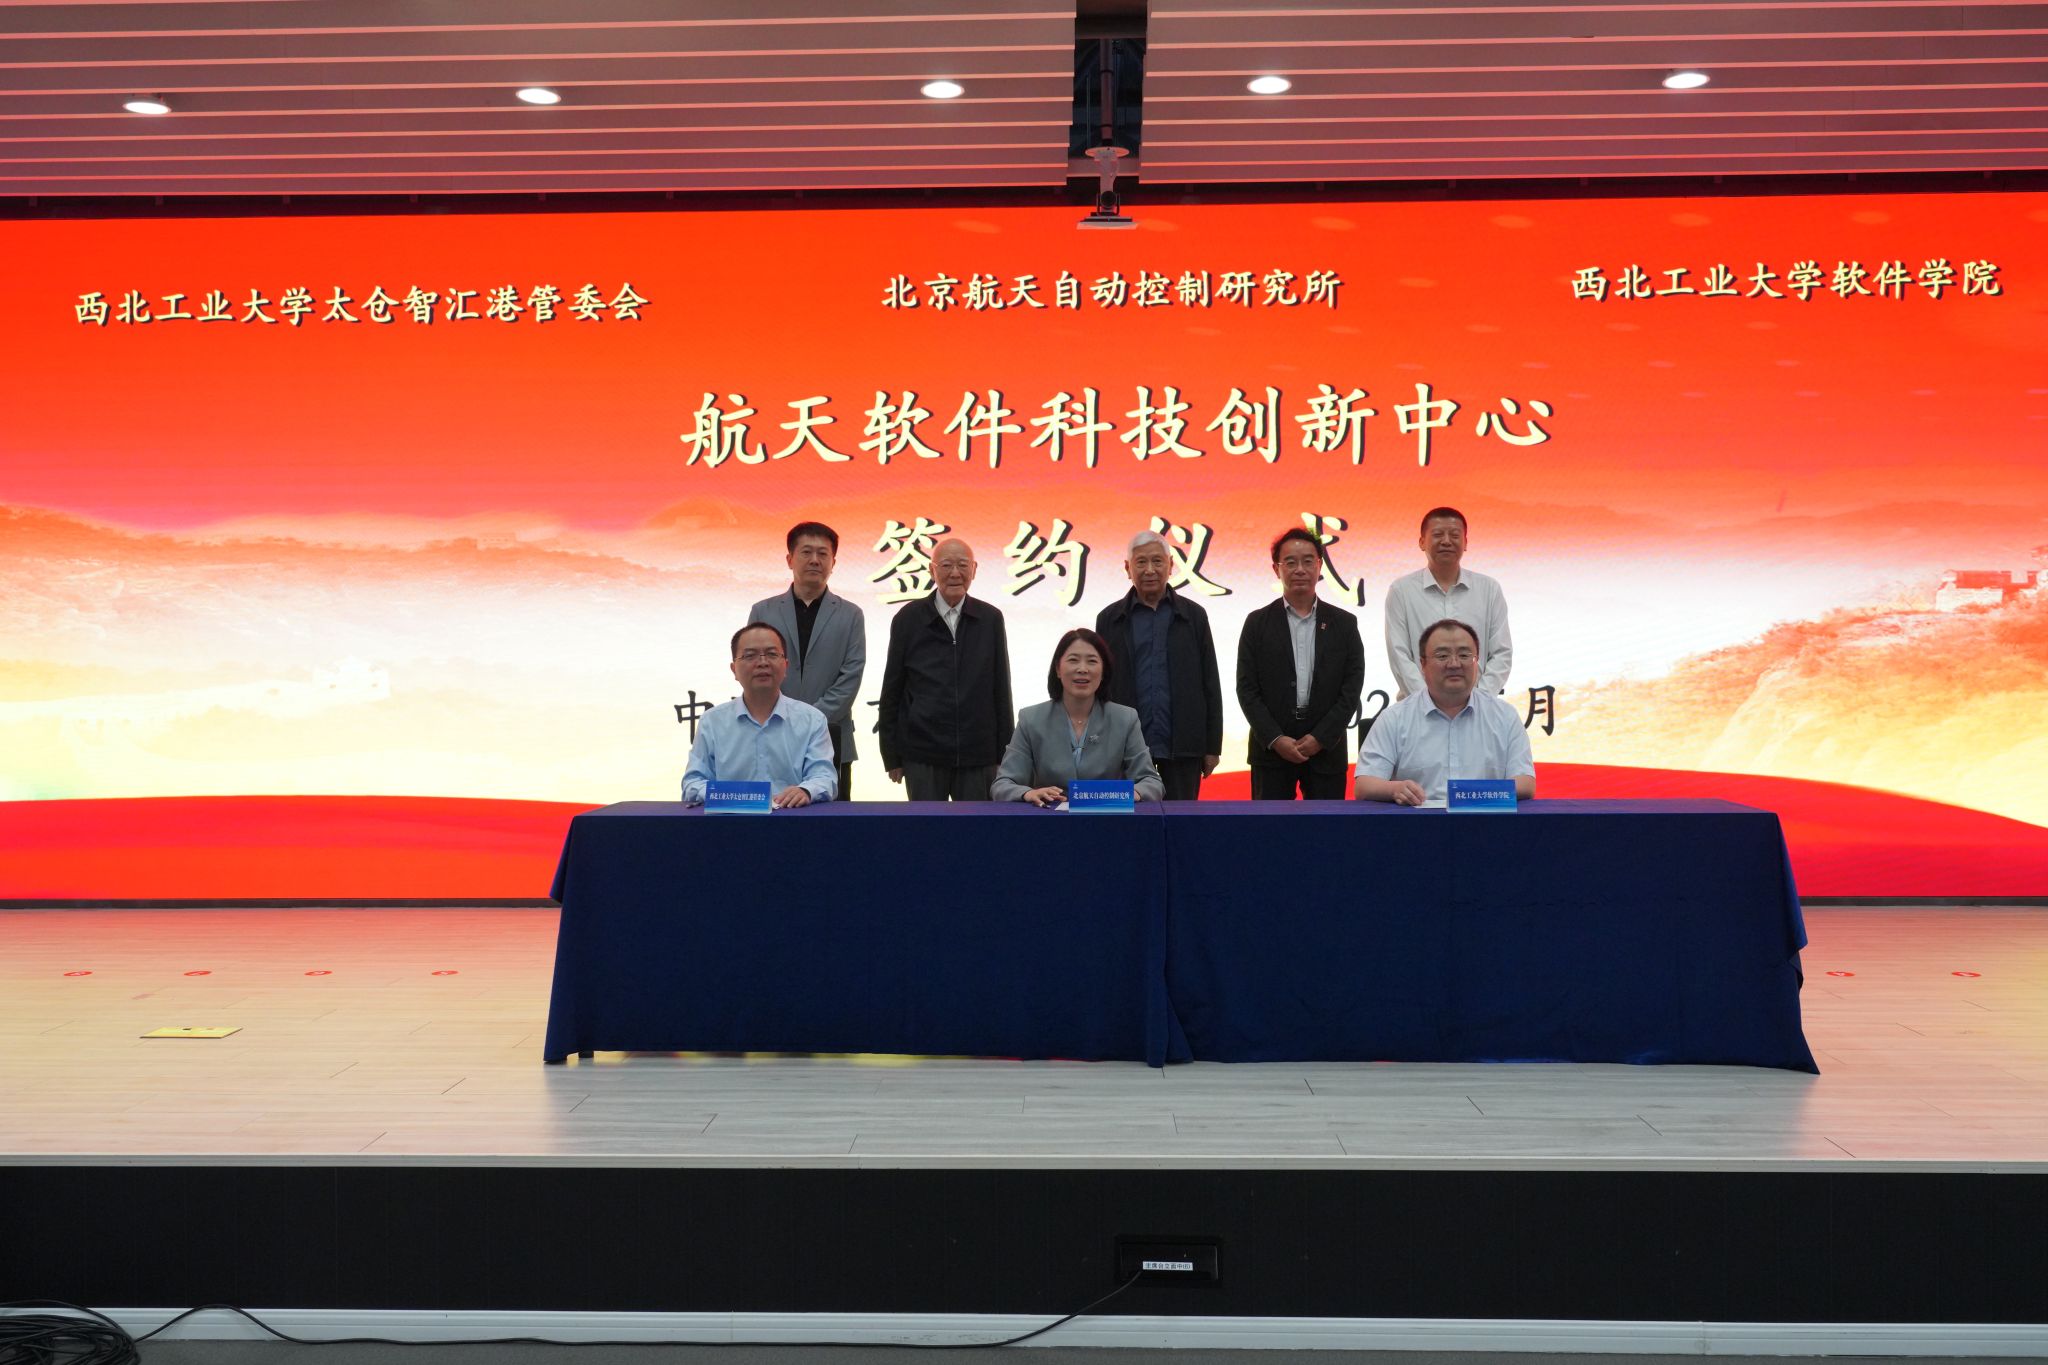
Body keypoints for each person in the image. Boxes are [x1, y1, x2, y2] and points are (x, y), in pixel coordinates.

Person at [876, 537, 1014, 801]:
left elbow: (1001, 689)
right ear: (932, 570)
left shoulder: (990, 618)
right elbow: (892, 689)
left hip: (979, 753)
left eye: (962, 565)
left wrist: (1006, 755)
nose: (955, 573)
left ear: (974, 569)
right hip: (922, 752)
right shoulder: (908, 618)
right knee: (927, 826)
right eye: (946, 565)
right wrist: (891, 755)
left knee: (976, 826)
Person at [1235, 527, 1365, 800]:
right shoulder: (1257, 623)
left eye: (1308, 561)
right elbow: (1247, 689)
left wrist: (1321, 737)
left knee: (1327, 825)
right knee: (1270, 825)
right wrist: (1275, 739)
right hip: (1271, 750)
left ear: (1320, 566)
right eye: (1290, 562)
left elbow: (1351, 687)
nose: (1300, 570)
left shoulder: (1344, 624)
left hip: (1326, 749)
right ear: (1276, 569)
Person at [1094, 531, 1223, 801]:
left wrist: (1212, 746)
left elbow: (1210, 681)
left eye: (1157, 561)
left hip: (1183, 743)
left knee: (1180, 821)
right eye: (1141, 562)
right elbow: (1100, 686)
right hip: (1124, 746)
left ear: (1171, 564)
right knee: (1127, 819)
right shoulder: (1109, 619)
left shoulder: (1194, 616)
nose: (1150, 570)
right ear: (1127, 568)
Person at [1356, 619, 1534, 805]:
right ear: (1423, 664)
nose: (1454, 664)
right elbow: (1364, 785)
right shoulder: (1395, 718)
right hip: (1417, 820)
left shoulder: (1504, 716)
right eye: (1442, 656)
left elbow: (1525, 783)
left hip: (1485, 817)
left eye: (1464, 655)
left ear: (1477, 662)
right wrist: (1395, 789)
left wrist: (1472, 796)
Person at [750, 521, 865, 799]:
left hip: (832, 738)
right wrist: (784, 719)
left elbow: (850, 677)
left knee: (832, 821)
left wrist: (808, 722)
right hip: (772, 735)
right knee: (772, 816)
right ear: (790, 559)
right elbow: (753, 670)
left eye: (823, 554)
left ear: (833, 563)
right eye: (806, 552)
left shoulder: (851, 614)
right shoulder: (763, 611)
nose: (815, 560)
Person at [993, 628, 1163, 806]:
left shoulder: (1125, 718)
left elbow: (1151, 782)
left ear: (1103, 671)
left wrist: (1129, 794)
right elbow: (1002, 784)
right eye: (1073, 660)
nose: (1082, 669)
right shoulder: (1031, 719)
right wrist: (1028, 793)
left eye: (1092, 661)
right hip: (1048, 817)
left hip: (1107, 816)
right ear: (1058, 669)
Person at [681, 622, 836, 808]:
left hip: (791, 818)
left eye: (772, 654)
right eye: (750, 655)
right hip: (729, 820)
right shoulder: (712, 721)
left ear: (786, 665)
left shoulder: (812, 720)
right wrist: (728, 796)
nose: (763, 663)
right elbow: (692, 783)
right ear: (734, 669)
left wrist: (806, 791)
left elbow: (824, 778)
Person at [1384, 505, 1512, 701]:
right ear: (1422, 542)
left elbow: (1501, 653)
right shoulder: (1401, 591)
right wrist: (1427, 702)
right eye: (1437, 535)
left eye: (1454, 535)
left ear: (1465, 543)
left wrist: (1478, 701)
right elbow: (1398, 654)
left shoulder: (1489, 589)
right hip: (1416, 710)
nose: (1446, 541)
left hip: (1479, 709)